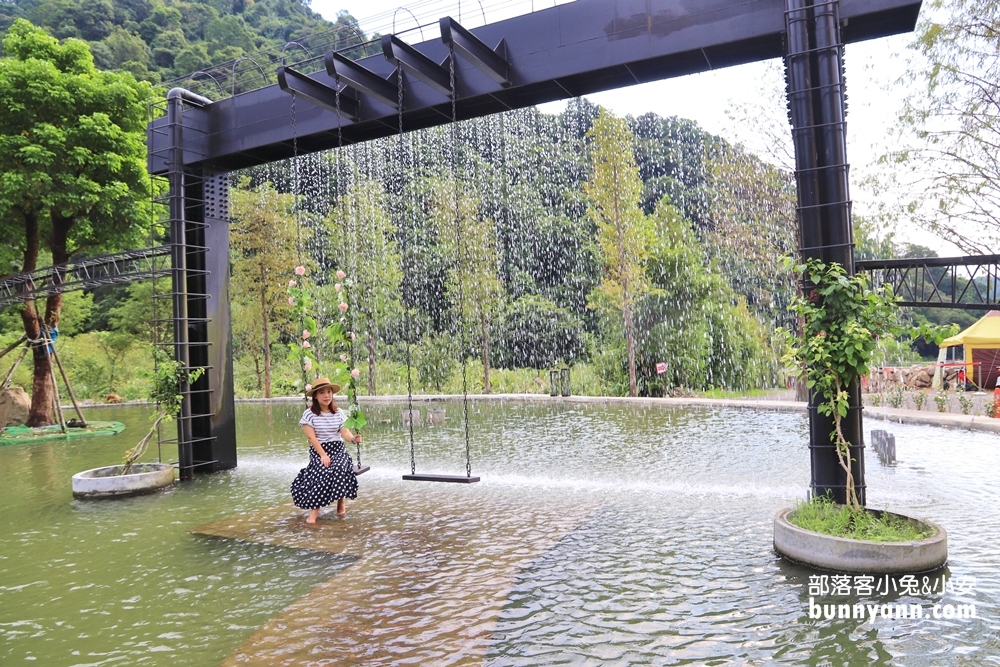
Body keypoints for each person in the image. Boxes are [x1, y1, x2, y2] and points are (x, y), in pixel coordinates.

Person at [290, 378, 362, 523]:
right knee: (322, 472)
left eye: (329, 392)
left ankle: (341, 502)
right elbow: (312, 438)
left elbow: (344, 432)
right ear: (315, 396)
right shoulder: (309, 415)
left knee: (340, 468)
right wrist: (323, 455)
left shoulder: (339, 412)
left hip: (338, 449)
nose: (326, 395)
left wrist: (353, 439)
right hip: (319, 451)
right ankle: (314, 512)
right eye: (322, 392)